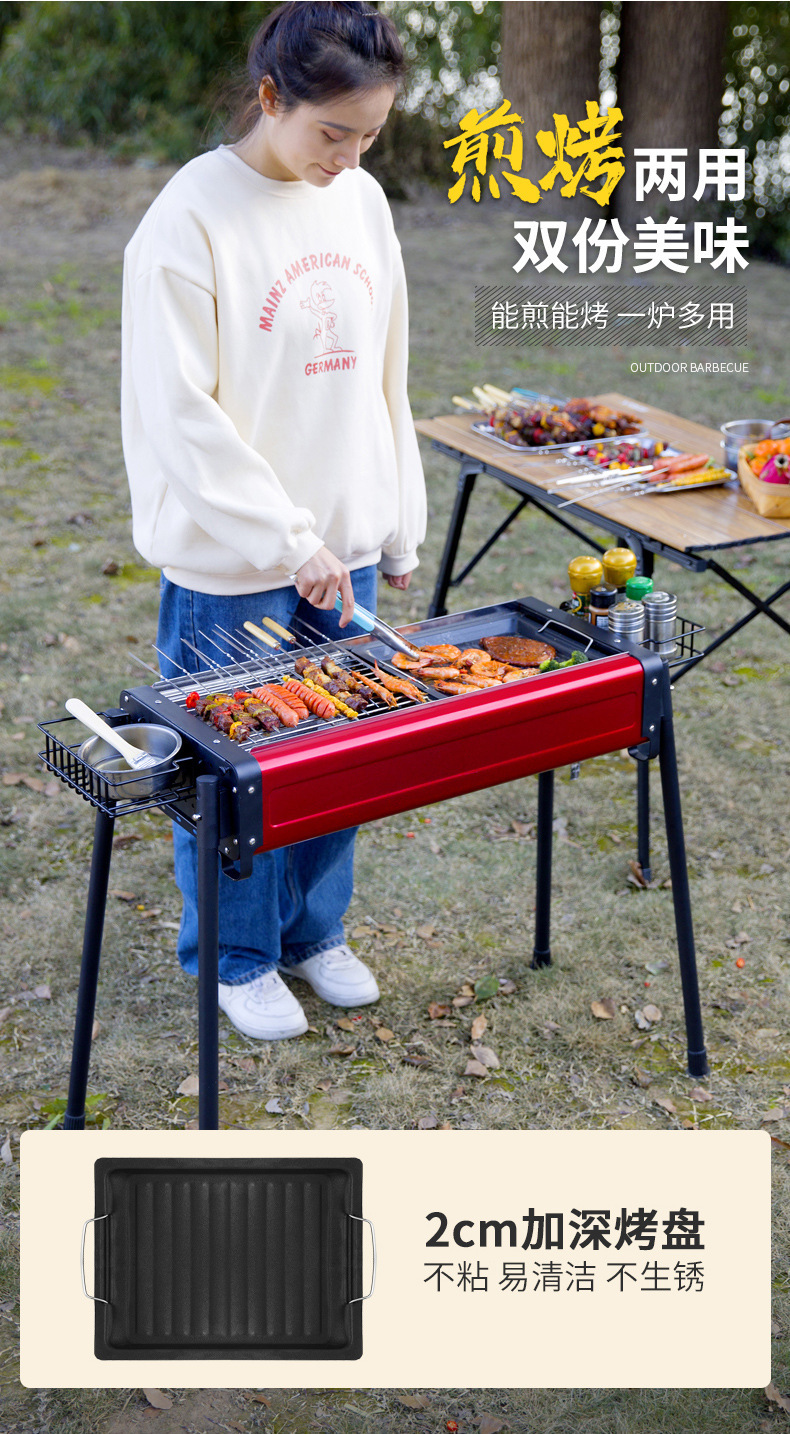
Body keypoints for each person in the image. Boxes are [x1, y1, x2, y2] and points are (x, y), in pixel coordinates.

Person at [121, 1, 426, 1041]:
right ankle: (236, 955)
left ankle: (311, 931)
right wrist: (288, 539)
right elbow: (180, 414)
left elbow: (383, 374)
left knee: (341, 751)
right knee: (238, 771)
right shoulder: (189, 218)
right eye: (332, 132)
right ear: (269, 98)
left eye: (369, 135)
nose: (349, 157)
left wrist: (393, 521)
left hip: (344, 549)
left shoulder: (362, 202)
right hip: (236, 559)